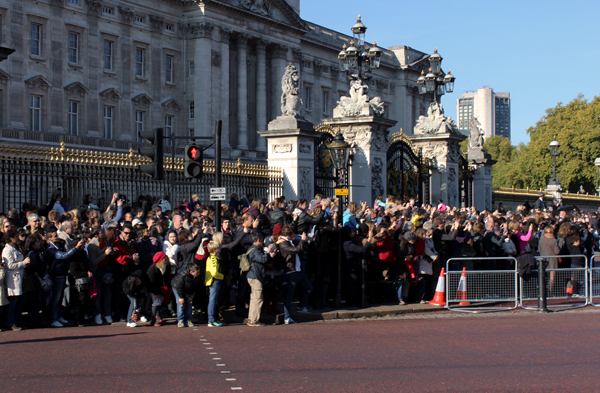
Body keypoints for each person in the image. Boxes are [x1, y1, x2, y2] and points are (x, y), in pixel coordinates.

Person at [45, 227, 84, 327]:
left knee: (60, 297)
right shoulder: (51, 250)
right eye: (54, 236)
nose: (57, 237)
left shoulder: (60, 245)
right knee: (56, 298)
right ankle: (54, 318)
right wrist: (75, 248)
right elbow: (63, 256)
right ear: (49, 239)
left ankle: (58, 316)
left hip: (62, 274)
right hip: (56, 275)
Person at [278, 225, 310, 325]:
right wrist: (303, 240)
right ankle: (287, 317)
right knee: (289, 295)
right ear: (290, 234)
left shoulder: (289, 241)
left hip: (297, 270)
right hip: (291, 272)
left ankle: (301, 306)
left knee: (309, 287)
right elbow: (296, 250)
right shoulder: (283, 244)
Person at [2, 228, 31, 330]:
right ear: (10, 238)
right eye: (15, 237)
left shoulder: (16, 248)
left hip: (19, 278)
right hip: (12, 280)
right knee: (12, 304)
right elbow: (9, 265)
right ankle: (11, 323)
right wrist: (24, 263)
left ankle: (18, 321)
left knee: (19, 303)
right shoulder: (7, 250)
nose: (18, 238)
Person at [246, 233, 277, 326]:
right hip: (255, 276)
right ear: (258, 240)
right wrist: (269, 253)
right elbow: (262, 259)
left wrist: (269, 255)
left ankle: (252, 318)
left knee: (254, 298)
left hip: (253, 275)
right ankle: (253, 320)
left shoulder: (252, 249)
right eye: (262, 240)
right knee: (257, 298)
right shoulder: (255, 250)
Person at [146, 251, 173, 327]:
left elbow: (167, 278)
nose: (168, 260)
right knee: (156, 302)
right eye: (166, 259)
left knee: (160, 302)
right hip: (154, 289)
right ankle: (153, 320)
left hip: (162, 287)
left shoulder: (167, 267)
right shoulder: (152, 269)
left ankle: (157, 316)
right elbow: (151, 283)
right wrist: (156, 292)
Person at [171, 263, 201, 327]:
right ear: (191, 272)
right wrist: (181, 297)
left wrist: (190, 295)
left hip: (187, 289)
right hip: (178, 288)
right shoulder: (183, 275)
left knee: (189, 303)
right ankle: (180, 320)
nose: (198, 274)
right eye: (197, 273)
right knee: (181, 304)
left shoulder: (195, 277)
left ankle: (188, 319)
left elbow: (193, 286)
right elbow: (179, 287)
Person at [205, 241, 224, 327]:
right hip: (214, 281)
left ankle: (212, 319)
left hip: (214, 281)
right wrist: (222, 276)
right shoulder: (213, 259)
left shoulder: (213, 258)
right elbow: (214, 272)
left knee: (214, 301)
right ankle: (211, 320)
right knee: (213, 301)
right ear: (214, 249)